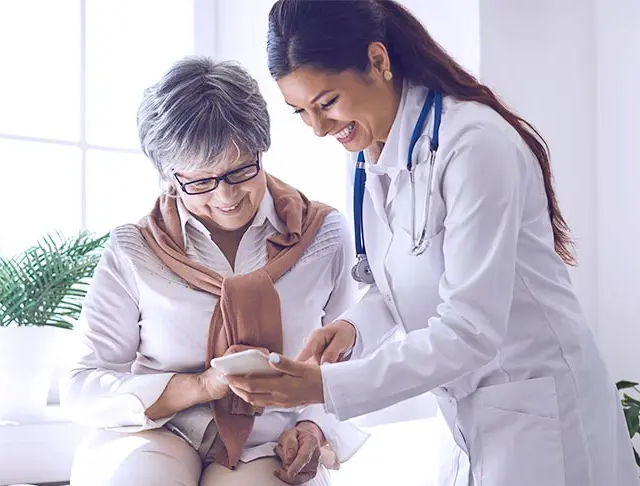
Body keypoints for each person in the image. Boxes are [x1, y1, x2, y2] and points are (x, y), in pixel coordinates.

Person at [225, 1, 640, 485]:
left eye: (327, 102)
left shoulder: (474, 145)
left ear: (378, 62)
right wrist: (354, 329)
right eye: (300, 112)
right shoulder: (375, 155)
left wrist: (323, 387)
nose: (318, 128)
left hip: (543, 413)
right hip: (473, 416)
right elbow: (402, 279)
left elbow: (469, 329)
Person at [59, 56, 368, 486]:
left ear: (262, 149)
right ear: (169, 177)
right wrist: (201, 387)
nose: (226, 197)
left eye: (241, 170)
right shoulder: (135, 248)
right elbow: (82, 385)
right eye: (201, 181)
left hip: (270, 439)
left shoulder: (324, 234)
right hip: (157, 430)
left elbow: (350, 363)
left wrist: (314, 427)